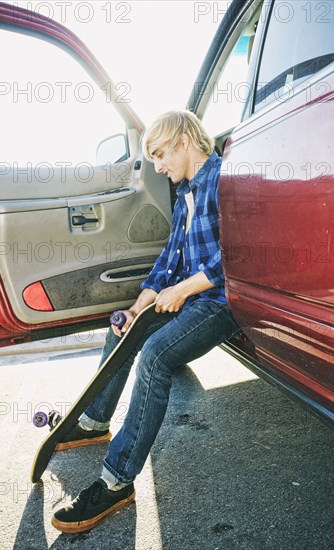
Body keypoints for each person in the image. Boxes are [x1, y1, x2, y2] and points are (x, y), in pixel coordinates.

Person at [51, 110, 239, 533]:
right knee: (122, 332)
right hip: (192, 298)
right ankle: (95, 421)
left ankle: (116, 482)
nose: (157, 166)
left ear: (185, 141)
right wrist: (140, 306)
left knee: (154, 355)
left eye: (159, 154)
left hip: (221, 303)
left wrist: (184, 290)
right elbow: (168, 260)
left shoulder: (223, 182)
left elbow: (236, 255)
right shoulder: (186, 192)